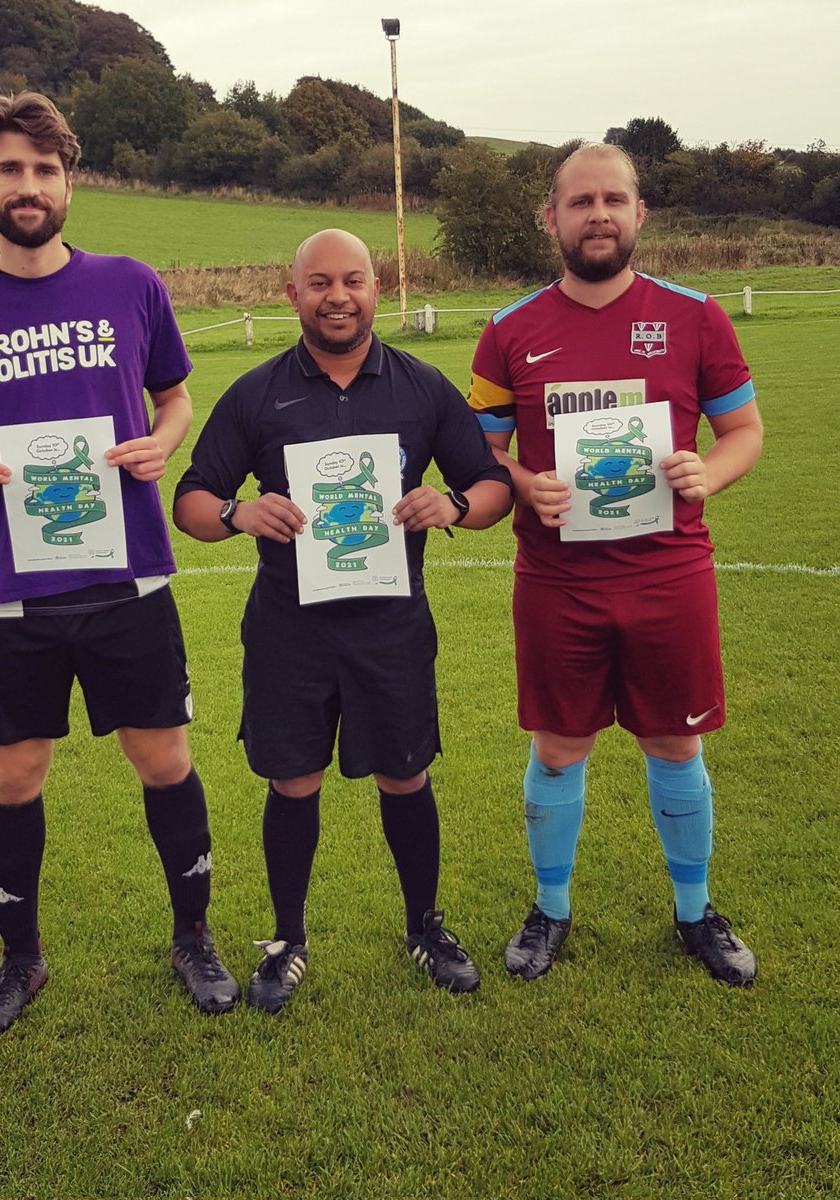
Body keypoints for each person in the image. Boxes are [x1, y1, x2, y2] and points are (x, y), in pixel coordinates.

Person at [0, 92, 239, 1042]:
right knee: (13, 776)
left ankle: (192, 939)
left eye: (45, 170)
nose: (28, 186)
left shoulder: (130, 283)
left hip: (126, 571)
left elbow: (173, 398)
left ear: (68, 182)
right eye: (10, 169)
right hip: (8, 586)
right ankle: (20, 961)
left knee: (163, 758)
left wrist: (160, 443)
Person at [173, 229, 513, 1013]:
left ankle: (424, 927)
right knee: (293, 779)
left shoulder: (423, 388)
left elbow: (493, 486)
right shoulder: (257, 393)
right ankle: (287, 939)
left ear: (376, 287)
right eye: (319, 282)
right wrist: (238, 511)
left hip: (391, 628)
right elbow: (190, 501)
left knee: (405, 772)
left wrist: (454, 503)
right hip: (290, 630)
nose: (337, 296)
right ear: (291, 294)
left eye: (353, 280)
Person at [467, 144, 763, 987]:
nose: (598, 213)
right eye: (580, 200)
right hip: (558, 581)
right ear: (550, 218)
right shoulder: (508, 330)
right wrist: (526, 482)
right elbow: (483, 454)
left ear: (640, 215)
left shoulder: (697, 314)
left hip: (669, 575)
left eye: (614, 199)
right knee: (560, 747)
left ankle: (695, 912)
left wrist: (712, 469)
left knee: (675, 743)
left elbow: (744, 431)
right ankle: (551, 910)